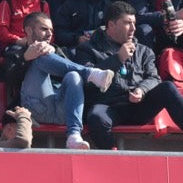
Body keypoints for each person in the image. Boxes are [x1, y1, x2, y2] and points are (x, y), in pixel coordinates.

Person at [75, 3, 183, 152]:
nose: (133, 28)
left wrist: (142, 90)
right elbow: (88, 80)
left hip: (138, 106)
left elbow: (154, 78)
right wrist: (117, 59)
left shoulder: (143, 51)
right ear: (111, 25)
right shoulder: (88, 49)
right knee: (95, 116)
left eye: (134, 23)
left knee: (167, 88)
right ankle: (113, 155)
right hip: (109, 106)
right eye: (127, 23)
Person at [19, 12, 115, 150]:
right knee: (37, 55)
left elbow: (68, 73)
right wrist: (25, 59)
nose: (49, 34)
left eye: (51, 30)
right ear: (29, 30)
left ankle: (74, 135)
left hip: (63, 109)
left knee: (74, 76)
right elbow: (11, 81)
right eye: (44, 29)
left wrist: (54, 53)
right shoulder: (15, 52)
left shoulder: (58, 50)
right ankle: (91, 74)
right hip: (35, 109)